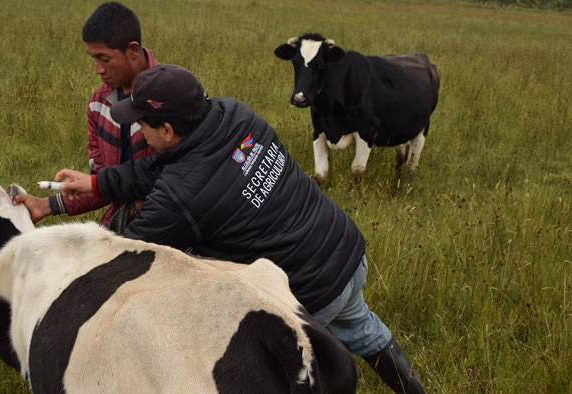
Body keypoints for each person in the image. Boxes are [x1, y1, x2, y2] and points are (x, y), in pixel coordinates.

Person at [56, 65, 426, 393]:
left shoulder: (181, 197)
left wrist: (64, 273)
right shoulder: (234, 113)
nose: (139, 130)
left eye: (142, 123)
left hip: (308, 294)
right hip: (346, 253)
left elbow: (125, 257)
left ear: (167, 129)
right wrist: (96, 183)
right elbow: (161, 168)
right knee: (363, 328)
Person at [14, 2, 158, 226]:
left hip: (167, 228)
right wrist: (46, 205)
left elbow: (182, 180)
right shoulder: (97, 105)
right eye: (93, 58)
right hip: (122, 225)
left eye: (104, 59)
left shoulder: (171, 96)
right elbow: (102, 184)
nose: (98, 69)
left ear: (132, 50)